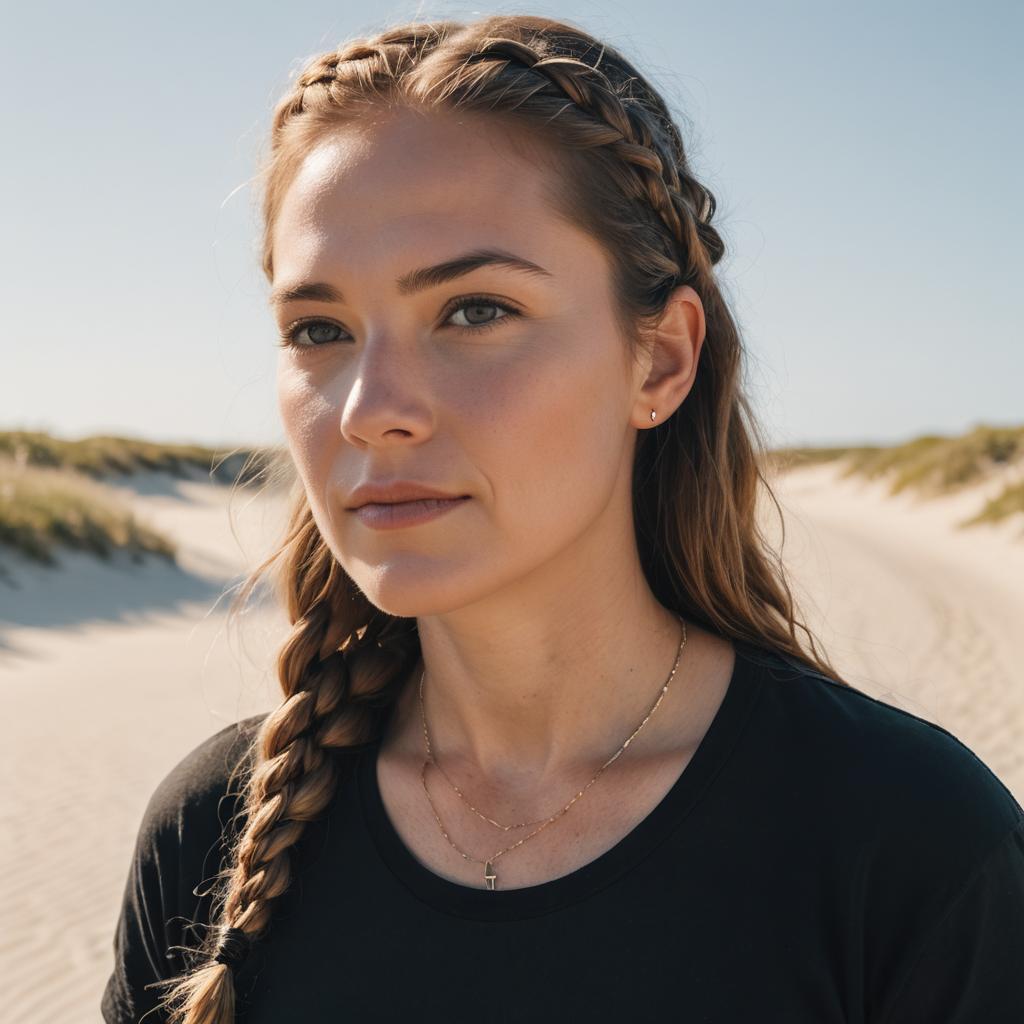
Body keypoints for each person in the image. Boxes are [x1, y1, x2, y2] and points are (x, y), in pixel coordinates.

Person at [102, 14, 1024, 1024]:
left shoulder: (910, 847)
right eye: (317, 330)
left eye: (474, 309)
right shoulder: (212, 838)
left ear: (661, 359)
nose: (370, 408)